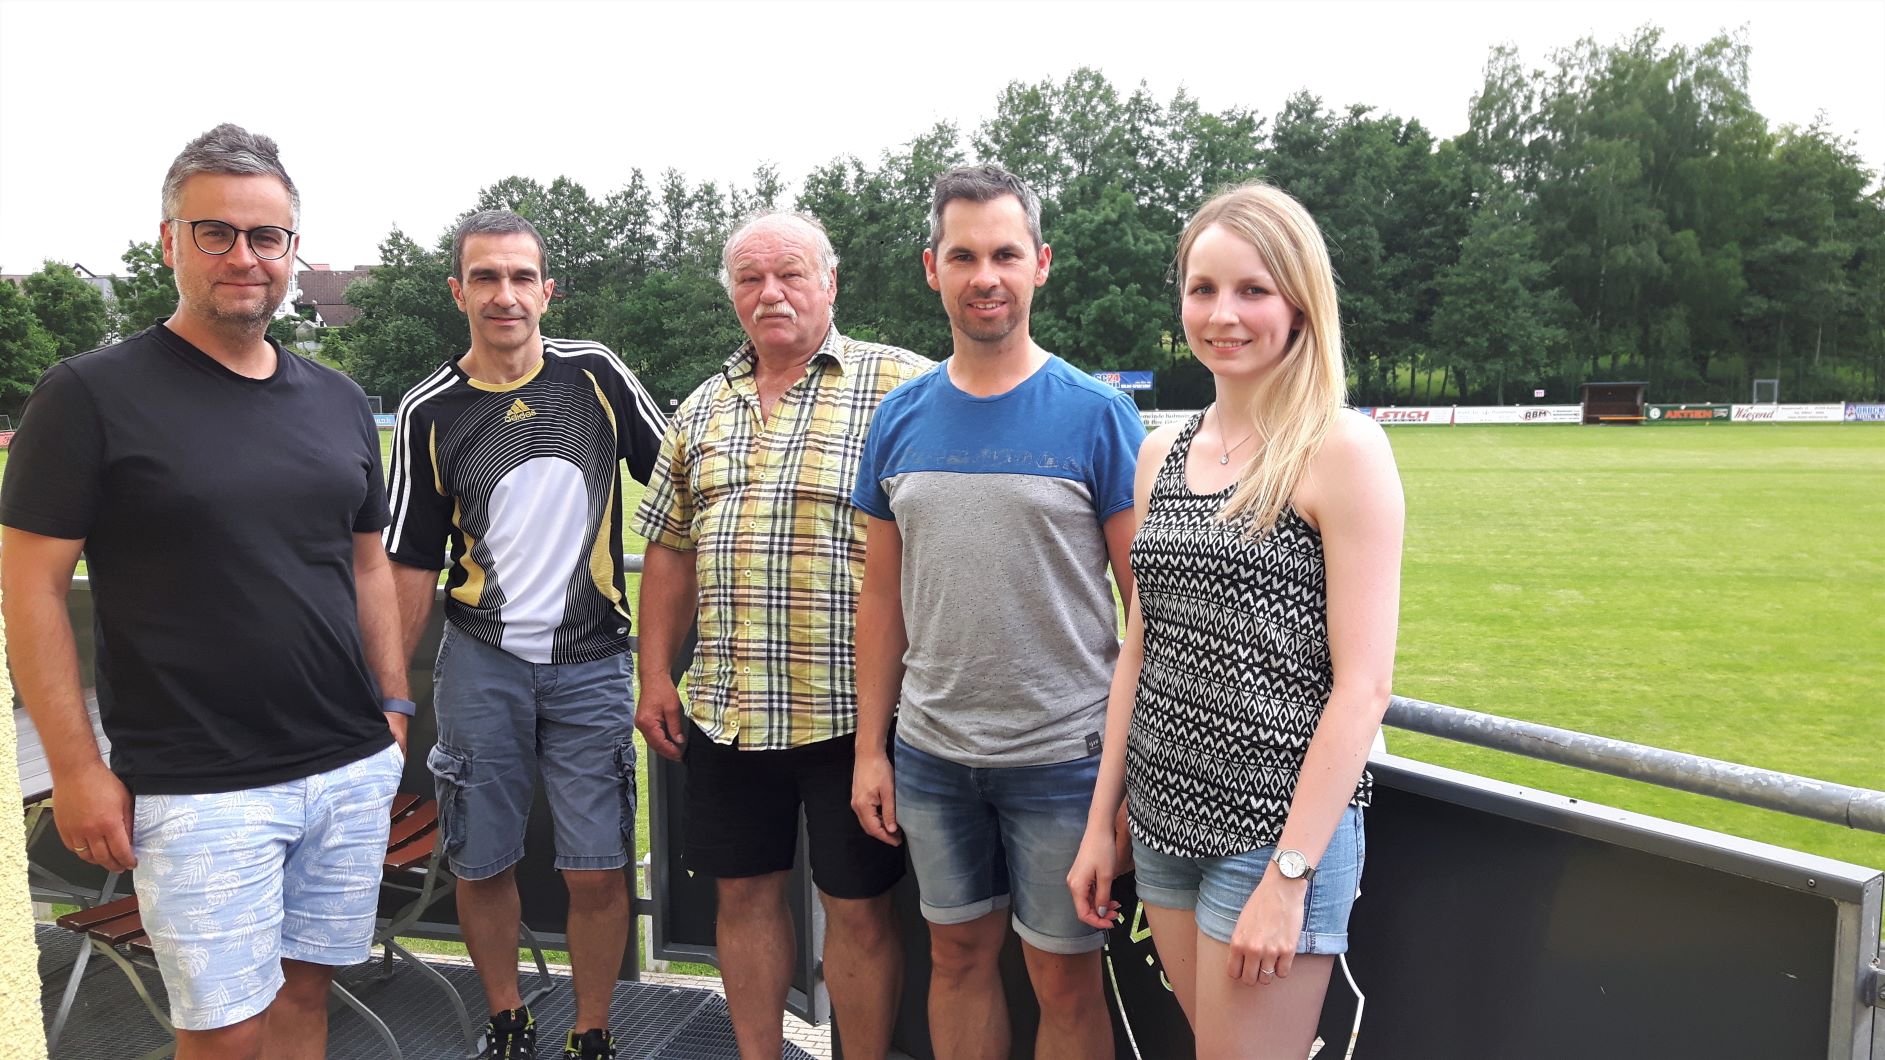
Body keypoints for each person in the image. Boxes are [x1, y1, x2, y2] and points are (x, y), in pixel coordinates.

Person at [0, 123, 407, 1060]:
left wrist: (393, 709)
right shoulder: (88, 395)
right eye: (214, 232)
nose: (244, 257)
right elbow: (30, 593)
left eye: (266, 236)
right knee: (224, 1034)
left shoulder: (338, 400)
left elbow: (366, 564)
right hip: (197, 784)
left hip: (346, 766)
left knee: (307, 999)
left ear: (293, 249)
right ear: (168, 242)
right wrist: (76, 770)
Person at [1066, 182, 1404, 1059]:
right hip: (1163, 819)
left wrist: (1289, 878)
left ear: (1298, 303)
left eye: (1252, 289)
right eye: (1203, 288)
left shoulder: (1341, 450)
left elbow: (1363, 687)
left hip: (1273, 833)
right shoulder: (1160, 453)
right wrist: (1103, 822)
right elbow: (1140, 650)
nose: (1223, 314)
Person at [849, 165, 1143, 1059]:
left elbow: (1149, 613)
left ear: (1040, 264)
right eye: (963, 256)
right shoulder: (898, 418)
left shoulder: (1098, 415)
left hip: (1064, 758)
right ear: (930, 267)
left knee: (1064, 980)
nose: (985, 276)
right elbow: (881, 600)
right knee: (956, 958)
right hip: (931, 756)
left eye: (1005, 255)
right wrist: (870, 749)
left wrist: (1126, 779)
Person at [633, 210, 930, 1060]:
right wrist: (655, 676)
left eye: (791, 274)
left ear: (829, 283)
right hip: (729, 709)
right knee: (742, 898)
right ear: (732, 293)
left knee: (858, 908)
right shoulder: (702, 405)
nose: (771, 293)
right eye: (750, 278)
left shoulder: (901, 385)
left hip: (854, 715)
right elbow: (669, 548)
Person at [383, 210, 665, 1060]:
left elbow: (679, 482)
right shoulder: (428, 410)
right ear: (458, 291)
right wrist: (391, 697)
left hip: (593, 661)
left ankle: (592, 1029)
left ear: (547, 290)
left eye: (519, 277)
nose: (503, 295)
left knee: (596, 865)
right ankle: (507, 1017)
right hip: (481, 662)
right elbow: (408, 564)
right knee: (481, 859)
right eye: (485, 277)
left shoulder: (596, 375)